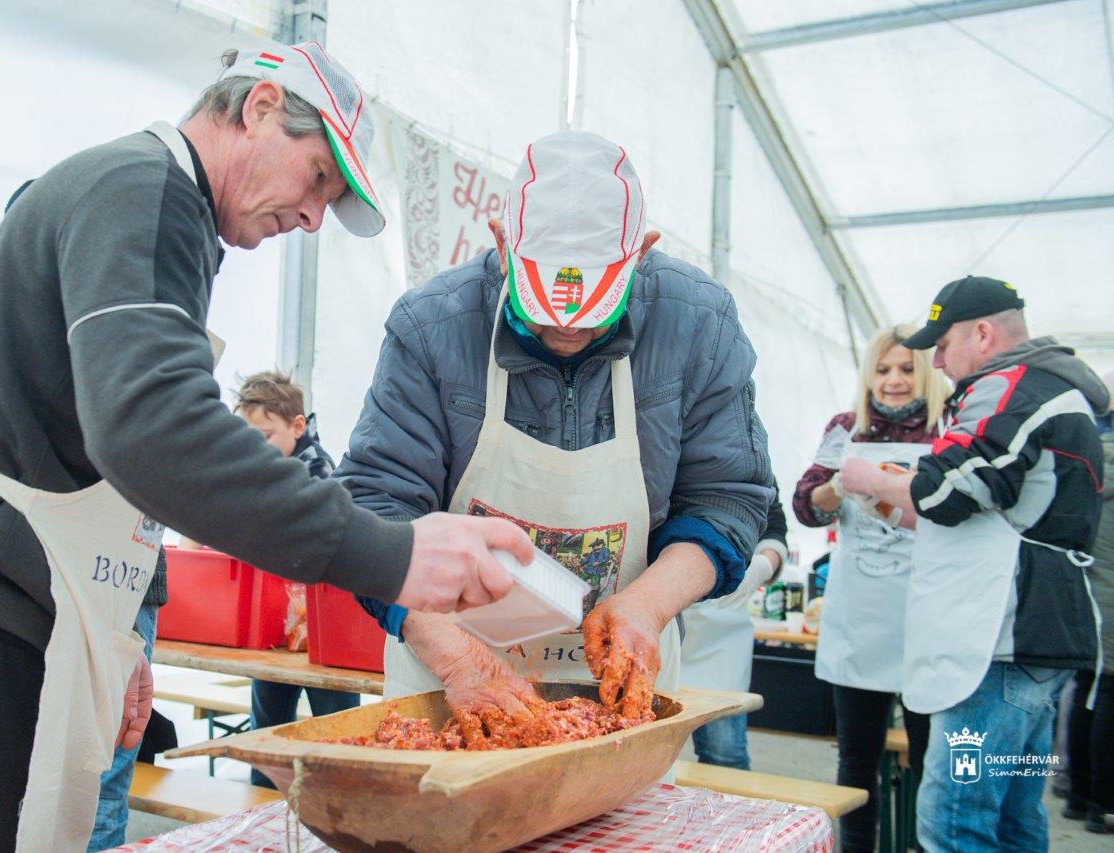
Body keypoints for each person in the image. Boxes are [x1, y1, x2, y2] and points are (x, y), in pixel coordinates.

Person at [0, 41, 533, 852]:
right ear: (260, 107)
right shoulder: (148, 191)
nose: (311, 217)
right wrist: (391, 553)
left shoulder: (140, 207)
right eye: (316, 179)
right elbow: (150, 429)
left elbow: (75, 426)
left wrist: (120, 631)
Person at [342, 131, 773, 729]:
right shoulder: (431, 326)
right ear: (500, 242)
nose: (565, 332)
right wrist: (459, 660)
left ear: (641, 253)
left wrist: (648, 606)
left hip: (624, 678)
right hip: (450, 674)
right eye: (539, 307)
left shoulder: (697, 323)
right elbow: (376, 509)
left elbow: (728, 498)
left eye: (593, 311)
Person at [0, 191, 161, 852]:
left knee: (101, 767)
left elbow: (152, 467)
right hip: (9, 576)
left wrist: (137, 623)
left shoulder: (129, 317)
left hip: (118, 574)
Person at [839, 276, 1107, 852]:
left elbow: (953, 491)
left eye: (941, 346)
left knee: (956, 819)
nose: (936, 361)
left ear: (983, 334)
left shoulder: (1012, 385)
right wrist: (897, 509)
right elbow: (1001, 511)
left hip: (999, 644)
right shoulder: (1055, 390)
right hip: (1038, 642)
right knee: (1015, 815)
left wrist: (865, 477)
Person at [791, 324, 943, 852]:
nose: (894, 381)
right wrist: (839, 485)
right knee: (857, 759)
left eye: (906, 368)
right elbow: (806, 507)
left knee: (932, 759)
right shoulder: (845, 426)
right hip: (861, 613)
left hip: (931, 615)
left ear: (925, 371)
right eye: (883, 370)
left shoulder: (952, 424)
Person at [225, 371, 362, 788]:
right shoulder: (261, 472)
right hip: (277, 634)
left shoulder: (318, 469)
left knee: (336, 733)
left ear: (297, 426)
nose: (254, 450)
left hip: (323, 633)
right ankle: (259, 816)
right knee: (267, 735)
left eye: (264, 436)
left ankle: (345, 818)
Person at [678, 488, 788, 770]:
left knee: (724, 753)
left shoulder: (746, 455)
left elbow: (774, 532)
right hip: (653, 620)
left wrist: (761, 567)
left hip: (720, 633)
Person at [1063, 369, 1114, 834]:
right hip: (1107, 597)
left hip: (1088, 592)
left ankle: (1078, 794)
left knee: (1088, 690)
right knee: (1107, 695)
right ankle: (1102, 803)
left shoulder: (1092, 456)